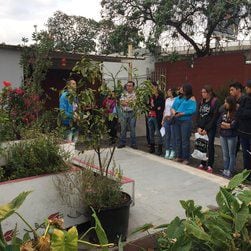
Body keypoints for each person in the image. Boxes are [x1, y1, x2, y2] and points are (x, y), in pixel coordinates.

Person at [196, 85, 220, 173]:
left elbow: (214, 117)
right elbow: (198, 115)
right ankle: (202, 163)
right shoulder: (202, 101)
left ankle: (210, 165)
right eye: (202, 92)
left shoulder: (215, 101)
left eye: (204, 92)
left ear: (209, 93)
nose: (202, 94)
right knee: (202, 145)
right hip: (201, 128)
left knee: (209, 146)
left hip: (210, 128)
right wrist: (198, 127)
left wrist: (206, 128)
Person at [171, 84, 197, 165]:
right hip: (177, 120)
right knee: (178, 139)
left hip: (185, 121)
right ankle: (179, 156)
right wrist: (174, 112)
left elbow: (192, 110)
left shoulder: (192, 98)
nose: (181, 89)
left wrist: (182, 113)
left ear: (187, 90)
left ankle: (186, 158)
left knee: (185, 140)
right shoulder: (180, 98)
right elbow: (173, 107)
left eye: (183, 88)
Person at [235, 80, 251, 181]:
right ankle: (246, 173)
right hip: (243, 131)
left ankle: (248, 174)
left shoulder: (247, 99)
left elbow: (246, 113)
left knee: (248, 154)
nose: (246, 88)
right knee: (246, 154)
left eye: (247, 87)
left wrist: (239, 109)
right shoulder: (245, 98)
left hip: (248, 131)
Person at [218, 96, 238, 178]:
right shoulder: (224, 112)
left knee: (231, 154)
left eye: (226, 102)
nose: (224, 104)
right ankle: (225, 169)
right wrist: (226, 125)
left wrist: (227, 125)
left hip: (232, 136)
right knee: (225, 154)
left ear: (230, 103)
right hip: (223, 135)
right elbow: (219, 122)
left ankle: (230, 170)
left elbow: (234, 125)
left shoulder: (236, 113)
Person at [118, 81, 137, 149]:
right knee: (123, 128)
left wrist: (126, 102)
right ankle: (122, 143)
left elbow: (134, 104)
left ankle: (133, 143)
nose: (128, 87)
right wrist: (129, 102)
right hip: (124, 112)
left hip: (132, 113)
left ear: (133, 87)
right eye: (127, 85)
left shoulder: (135, 94)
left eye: (130, 86)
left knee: (132, 129)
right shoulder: (124, 94)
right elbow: (122, 103)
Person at [147, 83, 165, 155]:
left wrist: (154, 107)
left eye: (152, 87)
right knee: (151, 132)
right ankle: (152, 147)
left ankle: (160, 148)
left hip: (157, 116)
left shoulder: (160, 95)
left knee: (158, 132)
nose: (151, 88)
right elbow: (148, 105)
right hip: (150, 115)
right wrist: (154, 107)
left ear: (156, 87)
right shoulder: (149, 95)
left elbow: (160, 106)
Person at [59, 79, 79, 143]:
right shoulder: (64, 96)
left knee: (75, 141)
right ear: (68, 86)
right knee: (68, 142)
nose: (75, 85)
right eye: (73, 84)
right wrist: (72, 116)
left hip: (75, 122)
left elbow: (76, 107)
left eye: (75, 84)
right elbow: (62, 111)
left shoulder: (75, 96)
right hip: (67, 122)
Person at [162, 88, 177, 159]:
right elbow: (165, 110)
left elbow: (175, 110)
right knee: (167, 136)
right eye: (168, 91)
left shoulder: (176, 99)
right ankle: (167, 150)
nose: (168, 92)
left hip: (173, 119)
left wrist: (171, 116)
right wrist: (163, 120)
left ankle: (173, 151)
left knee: (172, 136)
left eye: (169, 91)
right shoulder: (167, 100)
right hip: (166, 119)